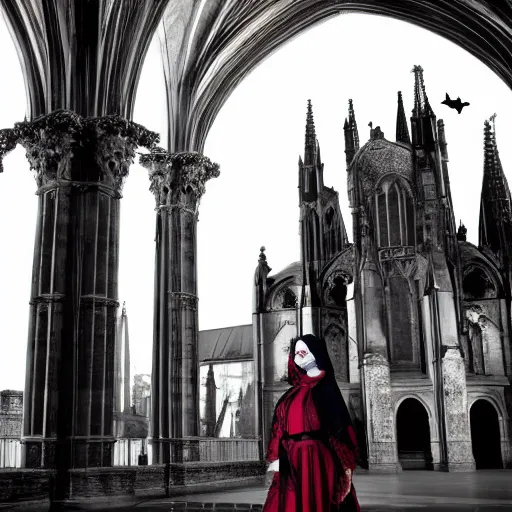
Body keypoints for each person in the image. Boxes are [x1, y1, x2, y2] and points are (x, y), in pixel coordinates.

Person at [263, 334, 360, 512]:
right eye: (297, 353)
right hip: (290, 460)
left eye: (305, 351)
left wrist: (346, 469)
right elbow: (278, 430)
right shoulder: (288, 396)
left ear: (316, 353)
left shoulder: (326, 389)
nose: (301, 355)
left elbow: (339, 429)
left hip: (319, 460)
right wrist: (276, 458)